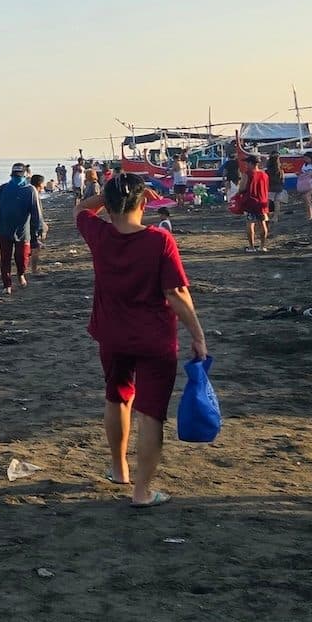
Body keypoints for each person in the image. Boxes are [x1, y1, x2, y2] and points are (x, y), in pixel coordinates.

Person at [75, 173, 207, 509]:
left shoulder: (99, 234)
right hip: (154, 338)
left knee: (117, 398)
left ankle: (119, 469)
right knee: (151, 413)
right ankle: (142, 491)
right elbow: (175, 293)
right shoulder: (159, 240)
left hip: (112, 334)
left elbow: (80, 209)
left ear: (109, 206)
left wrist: (109, 196)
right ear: (144, 203)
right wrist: (198, 335)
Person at [0, 163, 45, 293]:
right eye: (15, 176)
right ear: (11, 175)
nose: (16, 178)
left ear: (24, 176)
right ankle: (7, 284)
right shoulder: (3, 188)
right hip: (4, 229)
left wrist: (38, 229)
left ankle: (21, 274)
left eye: (19, 176)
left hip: (23, 231)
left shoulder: (30, 190)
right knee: (5, 258)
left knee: (22, 257)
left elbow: (36, 212)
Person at [239, 152, 270, 251]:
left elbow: (242, 188)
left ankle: (251, 247)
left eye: (247, 163)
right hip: (262, 202)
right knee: (262, 224)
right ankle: (262, 246)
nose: (246, 165)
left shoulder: (247, 174)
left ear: (251, 163)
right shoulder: (264, 174)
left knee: (250, 224)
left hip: (250, 202)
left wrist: (239, 193)